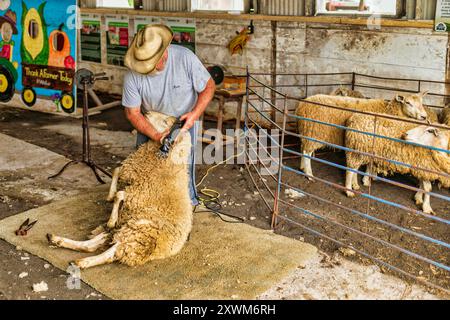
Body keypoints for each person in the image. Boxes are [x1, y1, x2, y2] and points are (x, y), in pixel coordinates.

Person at [122, 24, 215, 207]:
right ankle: (147, 207)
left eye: (156, 59)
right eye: (149, 62)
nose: (155, 65)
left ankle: (186, 207)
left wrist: (194, 115)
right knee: (146, 169)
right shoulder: (133, 75)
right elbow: (132, 113)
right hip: (150, 121)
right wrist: (156, 135)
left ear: (165, 50)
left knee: (182, 170)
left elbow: (208, 86)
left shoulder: (184, 58)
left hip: (184, 119)